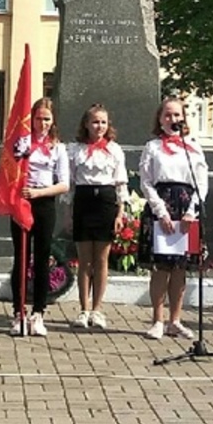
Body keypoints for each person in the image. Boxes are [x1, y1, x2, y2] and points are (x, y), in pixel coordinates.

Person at [138, 96, 210, 341]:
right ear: (160, 119)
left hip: (186, 207)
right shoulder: (153, 147)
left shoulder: (192, 146)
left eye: (177, 115)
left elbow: (201, 181)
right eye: (167, 115)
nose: (173, 119)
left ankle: (175, 320)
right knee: (162, 267)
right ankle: (157, 320)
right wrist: (161, 211)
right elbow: (146, 181)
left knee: (181, 268)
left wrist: (192, 210)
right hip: (163, 205)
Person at [10, 97, 71, 337]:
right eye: (38, 118)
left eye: (47, 118)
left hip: (44, 203)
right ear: (31, 119)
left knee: (42, 255)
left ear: (53, 120)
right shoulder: (22, 143)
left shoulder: (58, 148)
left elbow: (64, 184)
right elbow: (10, 170)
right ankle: (18, 312)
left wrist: (39, 192)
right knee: (21, 257)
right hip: (22, 203)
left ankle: (38, 312)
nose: (42, 123)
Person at [68, 105, 128, 331]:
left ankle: (97, 309)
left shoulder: (114, 150)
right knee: (84, 260)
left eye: (103, 122)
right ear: (86, 124)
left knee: (101, 259)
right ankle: (83, 309)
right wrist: (68, 213)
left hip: (105, 202)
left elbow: (120, 183)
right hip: (84, 201)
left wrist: (120, 213)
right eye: (95, 122)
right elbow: (71, 184)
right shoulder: (75, 150)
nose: (99, 127)